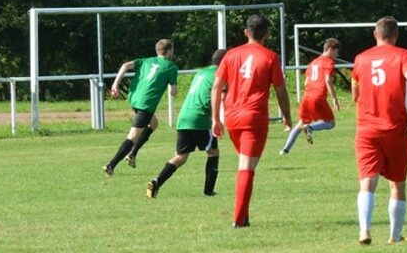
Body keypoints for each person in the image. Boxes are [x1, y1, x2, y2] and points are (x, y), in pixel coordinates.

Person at [212, 14, 292, 228]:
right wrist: (287, 117)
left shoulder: (230, 55)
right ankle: (239, 218)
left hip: (232, 118)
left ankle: (244, 215)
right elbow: (281, 91)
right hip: (254, 117)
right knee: (246, 166)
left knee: (243, 162)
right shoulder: (270, 57)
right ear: (267, 33)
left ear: (246, 32)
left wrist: (215, 119)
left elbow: (216, 86)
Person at [351, 17, 407, 245]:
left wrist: (359, 101)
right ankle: (394, 236)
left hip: (366, 128)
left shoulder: (360, 59)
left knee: (367, 182)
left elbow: (355, 87)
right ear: (396, 35)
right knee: (397, 183)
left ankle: (364, 230)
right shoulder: (403, 55)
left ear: (375, 34)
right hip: (395, 127)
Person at [146, 48, 226, 199]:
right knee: (213, 152)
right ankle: (208, 192)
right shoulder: (219, 75)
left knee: (181, 157)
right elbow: (221, 97)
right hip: (200, 118)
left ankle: (156, 182)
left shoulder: (201, 72)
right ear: (224, 62)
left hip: (184, 117)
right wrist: (219, 119)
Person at [103, 39, 179, 175]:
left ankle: (132, 154)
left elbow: (125, 65)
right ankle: (111, 164)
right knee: (133, 135)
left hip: (134, 99)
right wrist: (173, 89)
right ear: (169, 51)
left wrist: (115, 85)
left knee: (154, 123)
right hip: (146, 104)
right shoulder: (171, 66)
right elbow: (173, 91)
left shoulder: (146, 61)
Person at [281, 38, 342, 153]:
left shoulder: (314, 62)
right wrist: (334, 98)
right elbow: (328, 79)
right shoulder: (329, 62)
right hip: (318, 96)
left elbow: (306, 81)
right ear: (330, 49)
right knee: (331, 123)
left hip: (307, 96)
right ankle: (311, 128)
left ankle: (285, 150)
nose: (337, 55)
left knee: (301, 123)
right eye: (336, 52)